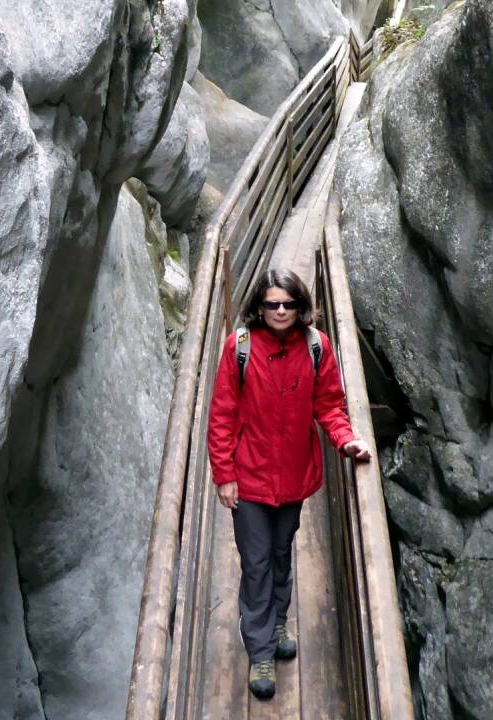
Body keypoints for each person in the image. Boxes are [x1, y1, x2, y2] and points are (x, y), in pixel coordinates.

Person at [206, 268, 371, 700]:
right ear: (259, 308)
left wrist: (347, 440)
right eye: (272, 304)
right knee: (257, 562)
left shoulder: (316, 348)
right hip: (250, 478)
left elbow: (330, 405)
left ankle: (278, 621)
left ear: (301, 307)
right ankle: (261, 649)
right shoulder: (239, 349)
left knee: (281, 554)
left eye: (288, 304)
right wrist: (224, 476)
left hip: (294, 477)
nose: (280, 311)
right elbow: (221, 416)